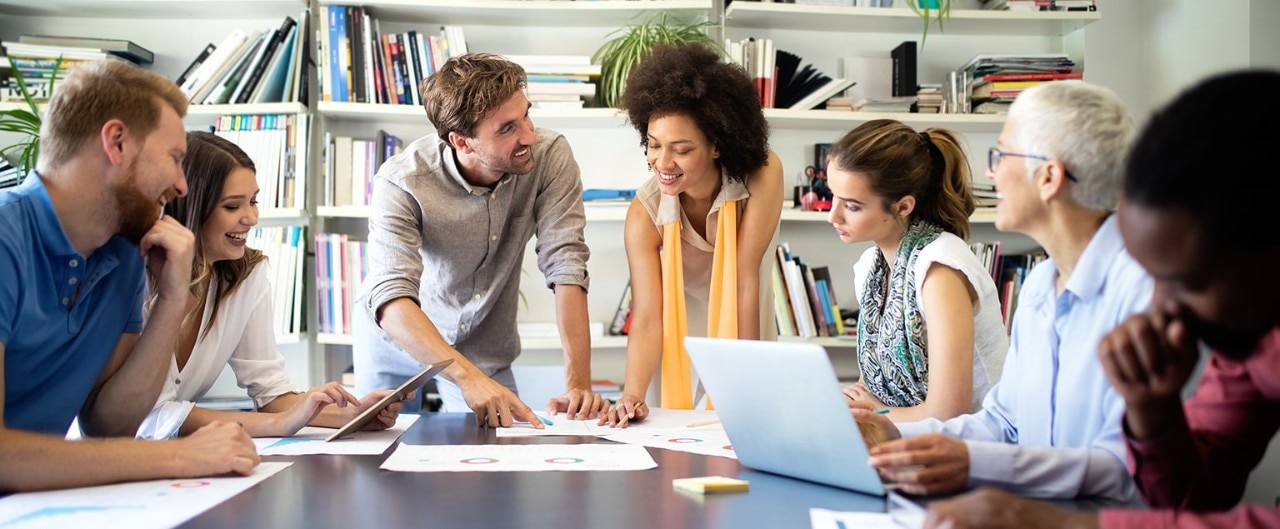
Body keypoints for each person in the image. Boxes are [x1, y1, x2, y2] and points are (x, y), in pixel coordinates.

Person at [923, 70, 1280, 529]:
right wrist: (1155, 414)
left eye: (1189, 281)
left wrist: (1062, 524)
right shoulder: (1243, 345)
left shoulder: (1157, 298)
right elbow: (1197, 498)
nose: (1164, 305)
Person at [853, 81, 1149, 501]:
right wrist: (895, 431)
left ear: (1049, 177)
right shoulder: (1041, 287)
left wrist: (973, 463)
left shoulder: (1141, 293)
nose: (992, 173)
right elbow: (1001, 423)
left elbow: (1125, 466)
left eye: (1002, 155)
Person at [0, 60, 258, 492]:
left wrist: (173, 299)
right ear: (116, 142)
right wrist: (180, 455)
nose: (182, 185)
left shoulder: (123, 250)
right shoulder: (7, 239)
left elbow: (109, 425)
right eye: (175, 159)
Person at [354, 52, 606, 428]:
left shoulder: (550, 157)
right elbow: (391, 294)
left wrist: (578, 387)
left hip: (484, 344)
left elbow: (567, 263)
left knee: (506, 451)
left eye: (526, 116)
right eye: (507, 128)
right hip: (397, 340)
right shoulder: (402, 181)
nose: (529, 136)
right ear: (462, 141)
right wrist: (466, 377)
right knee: (380, 455)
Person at [135, 131, 404, 439]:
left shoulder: (248, 274)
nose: (251, 217)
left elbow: (272, 393)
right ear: (191, 207)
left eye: (253, 201)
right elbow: (152, 416)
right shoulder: (139, 279)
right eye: (233, 207)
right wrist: (279, 425)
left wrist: (351, 415)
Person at [600, 43, 784, 426]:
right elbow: (649, 315)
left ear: (717, 145)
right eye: (653, 146)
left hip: (746, 315)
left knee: (747, 425)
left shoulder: (761, 175)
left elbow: (744, 281)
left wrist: (745, 382)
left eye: (680, 150)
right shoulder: (644, 214)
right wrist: (631, 394)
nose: (662, 164)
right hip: (675, 332)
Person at [827, 119, 1008, 422]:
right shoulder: (870, 268)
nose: (833, 216)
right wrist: (853, 403)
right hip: (908, 436)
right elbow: (872, 385)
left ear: (902, 207)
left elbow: (949, 413)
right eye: (832, 196)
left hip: (974, 445)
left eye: (852, 206)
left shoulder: (940, 270)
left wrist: (873, 414)